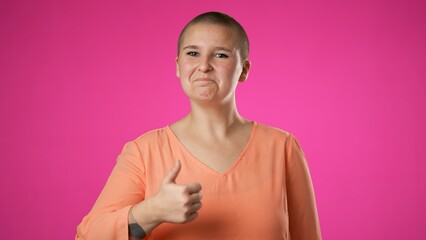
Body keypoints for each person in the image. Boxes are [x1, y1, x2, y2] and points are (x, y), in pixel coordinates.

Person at [76, 11, 322, 240]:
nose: (204, 66)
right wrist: (151, 211)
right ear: (177, 65)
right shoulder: (144, 151)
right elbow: (87, 236)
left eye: (220, 55)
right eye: (193, 53)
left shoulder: (283, 148)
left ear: (244, 70)